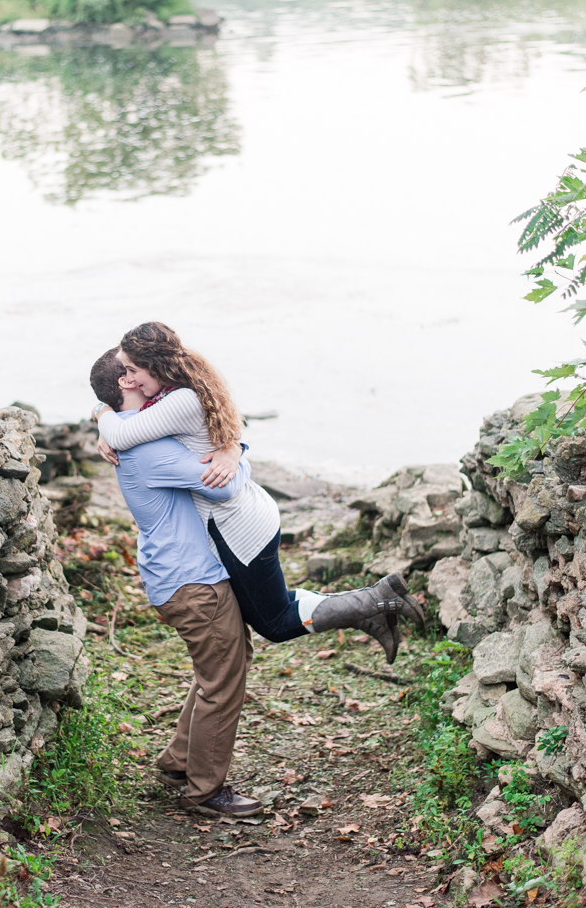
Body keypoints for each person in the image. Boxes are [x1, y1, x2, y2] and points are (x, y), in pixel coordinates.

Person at [92, 322, 424, 662]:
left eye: (133, 370)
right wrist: (234, 448)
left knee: (273, 622)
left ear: (153, 363)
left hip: (236, 524)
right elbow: (208, 429)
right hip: (250, 512)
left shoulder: (179, 400)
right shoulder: (181, 388)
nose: (130, 379)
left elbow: (125, 436)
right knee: (269, 602)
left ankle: (375, 599)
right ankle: (366, 612)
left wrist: (101, 412)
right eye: (126, 373)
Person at [89, 349, 262, 819]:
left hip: (177, 574)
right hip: (193, 582)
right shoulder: (150, 448)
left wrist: (101, 415)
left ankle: (180, 761)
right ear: (126, 384)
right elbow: (225, 486)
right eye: (138, 374)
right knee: (223, 681)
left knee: (227, 662)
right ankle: (204, 791)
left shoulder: (129, 439)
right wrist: (236, 451)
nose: (154, 383)